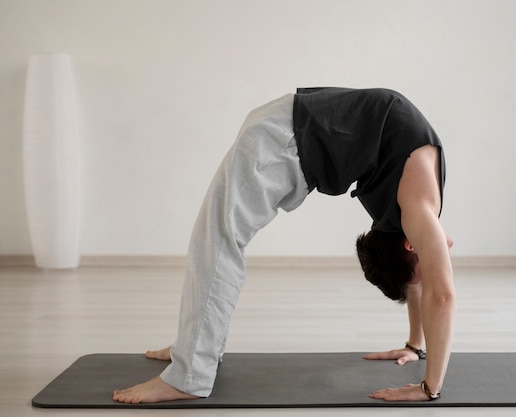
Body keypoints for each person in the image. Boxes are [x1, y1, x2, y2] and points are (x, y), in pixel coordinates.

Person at [113, 87, 456, 403]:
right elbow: (440, 296)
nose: (439, 256)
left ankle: (195, 351)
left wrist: (415, 345)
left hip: (283, 130)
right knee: (217, 241)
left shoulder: (415, 210)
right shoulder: (419, 211)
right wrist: (430, 389)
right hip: (283, 137)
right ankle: (188, 374)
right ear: (412, 247)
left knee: (214, 239)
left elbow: (421, 284)